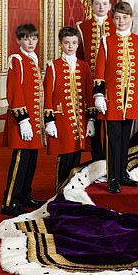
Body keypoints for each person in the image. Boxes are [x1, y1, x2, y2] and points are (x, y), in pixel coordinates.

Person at [93, 2, 138, 193]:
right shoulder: (106, 41)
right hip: (111, 100)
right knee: (113, 139)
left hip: (131, 101)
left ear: (131, 18)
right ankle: (112, 177)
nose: (121, 21)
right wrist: (98, 95)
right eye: (118, 18)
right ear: (113, 20)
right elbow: (100, 71)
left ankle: (122, 174)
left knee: (124, 139)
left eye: (125, 17)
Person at [43, 26, 96, 188]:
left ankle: (71, 189)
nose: (70, 46)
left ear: (78, 44)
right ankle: (59, 188)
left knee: (76, 155)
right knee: (64, 154)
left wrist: (91, 120)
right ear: (61, 44)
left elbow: (89, 94)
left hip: (80, 120)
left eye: (73, 43)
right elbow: (48, 95)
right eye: (67, 43)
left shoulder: (84, 66)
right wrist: (49, 121)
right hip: (61, 119)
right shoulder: (53, 66)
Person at [1, 23, 45, 217]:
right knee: (20, 161)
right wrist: (23, 119)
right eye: (26, 38)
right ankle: (10, 201)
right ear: (18, 40)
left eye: (33, 38)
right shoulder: (17, 60)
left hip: (34, 121)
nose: (30, 42)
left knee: (31, 161)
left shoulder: (33, 59)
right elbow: (14, 91)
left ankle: (25, 195)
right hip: (23, 121)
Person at [77, 0, 114, 162]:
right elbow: (79, 56)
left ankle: (110, 157)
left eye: (104, 4)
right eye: (97, 3)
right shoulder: (82, 27)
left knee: (109, 120)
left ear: (110, 6)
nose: (101, 7)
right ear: (91, 5)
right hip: (89, 82)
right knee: (92, 120)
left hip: (111, 82)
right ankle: (96, 158)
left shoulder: (116, 26)